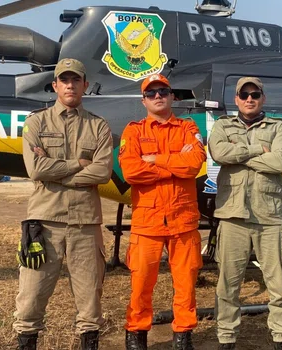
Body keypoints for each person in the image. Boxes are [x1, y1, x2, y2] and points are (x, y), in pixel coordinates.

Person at [14, 58, 114, 350]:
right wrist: (79, 164)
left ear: (84, 85)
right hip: (45, 222)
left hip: (85, 224)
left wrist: (57, 173)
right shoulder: (37, 122)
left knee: (89, 300)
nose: (70, 85)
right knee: (31, 296)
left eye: (76, 80)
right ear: (55, 85)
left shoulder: (98, 126)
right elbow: (35, 169)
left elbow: (104, 171)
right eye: (64, 80)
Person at [118, 73, 206, 350]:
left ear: (172, 96)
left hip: (183, 221)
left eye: (163, 91)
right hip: (147, 223)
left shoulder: (187, 127)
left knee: (186, 284)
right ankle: (136, 334)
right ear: (143, 100)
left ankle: (183, 335)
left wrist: (155, 159)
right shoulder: (133, 130)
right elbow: (131, 171)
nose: (158, 96)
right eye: (151, 93)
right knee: (141, 285)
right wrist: (175, 162)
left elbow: (193, 165)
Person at [208, 77, 282, 350]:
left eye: (254, 94)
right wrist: (259, 150)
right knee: (227, 285)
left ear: (262, 98)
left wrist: (238, 154)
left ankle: (281, 338)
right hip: (232, 216)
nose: (249, 99)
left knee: (279, 285)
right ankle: (226, 338)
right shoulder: (223, 125)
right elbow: (218, 152)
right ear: (236, 99)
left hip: (269, 217)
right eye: (243, 94)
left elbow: (281, 161)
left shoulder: (280, 126)